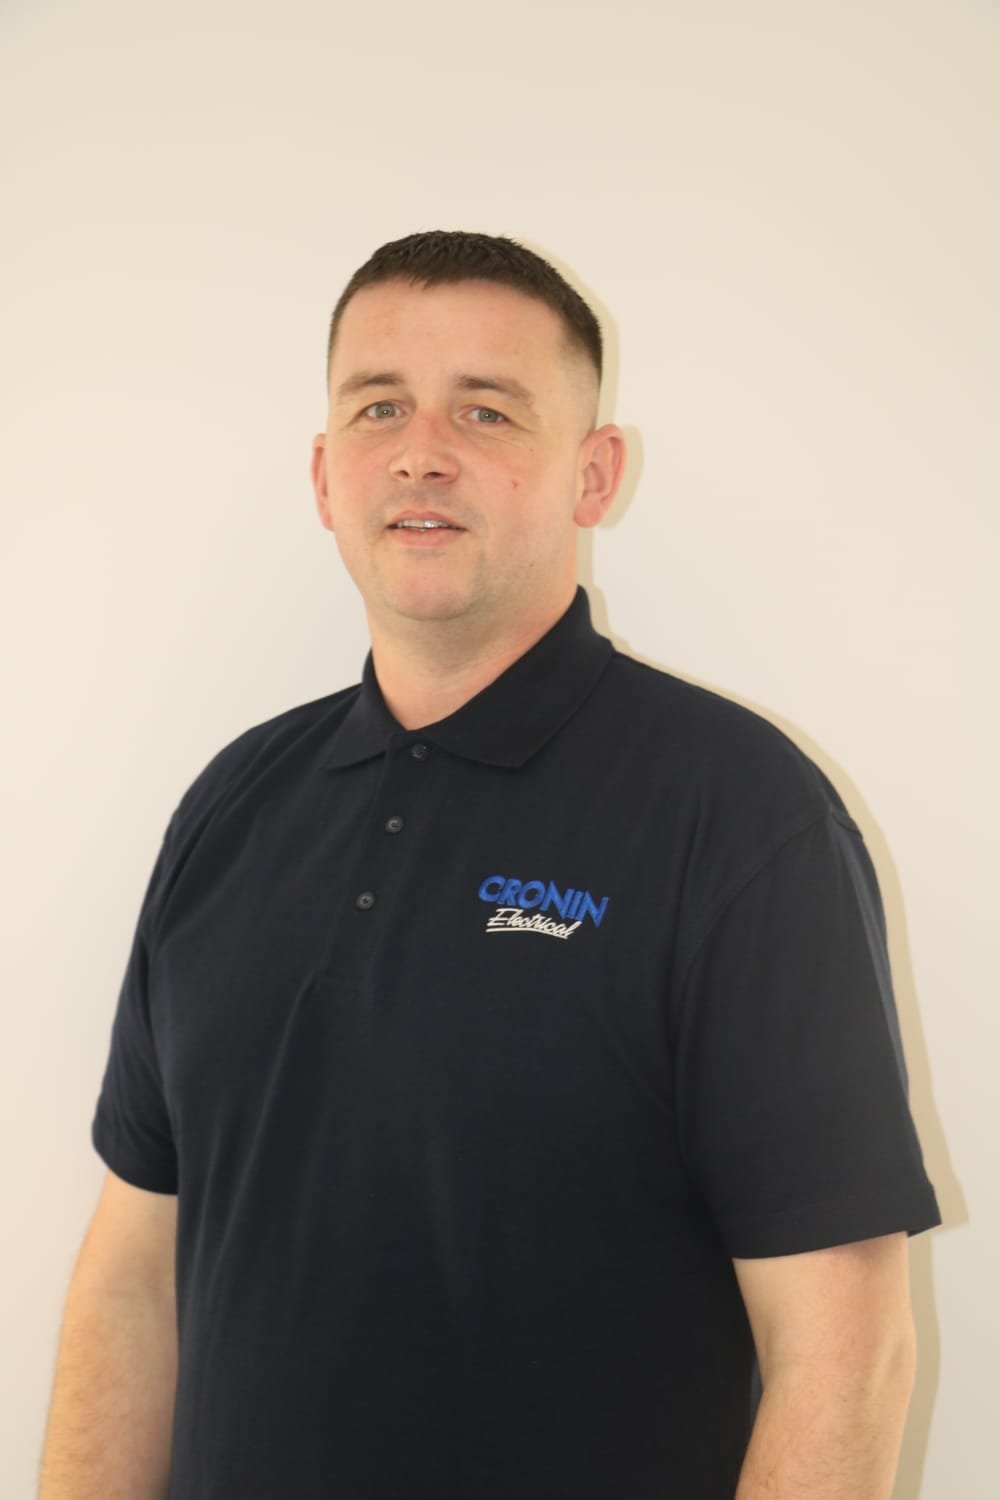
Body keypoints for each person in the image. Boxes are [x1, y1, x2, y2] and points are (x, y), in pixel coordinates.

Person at [39, 229, 941, 1499]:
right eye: (379, 406)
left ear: (593, 472)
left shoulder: (739, 818)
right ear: (323, 472)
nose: (421, 448)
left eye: (486, 408)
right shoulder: (231, 804)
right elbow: (135, 1273)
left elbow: (844, 1354)